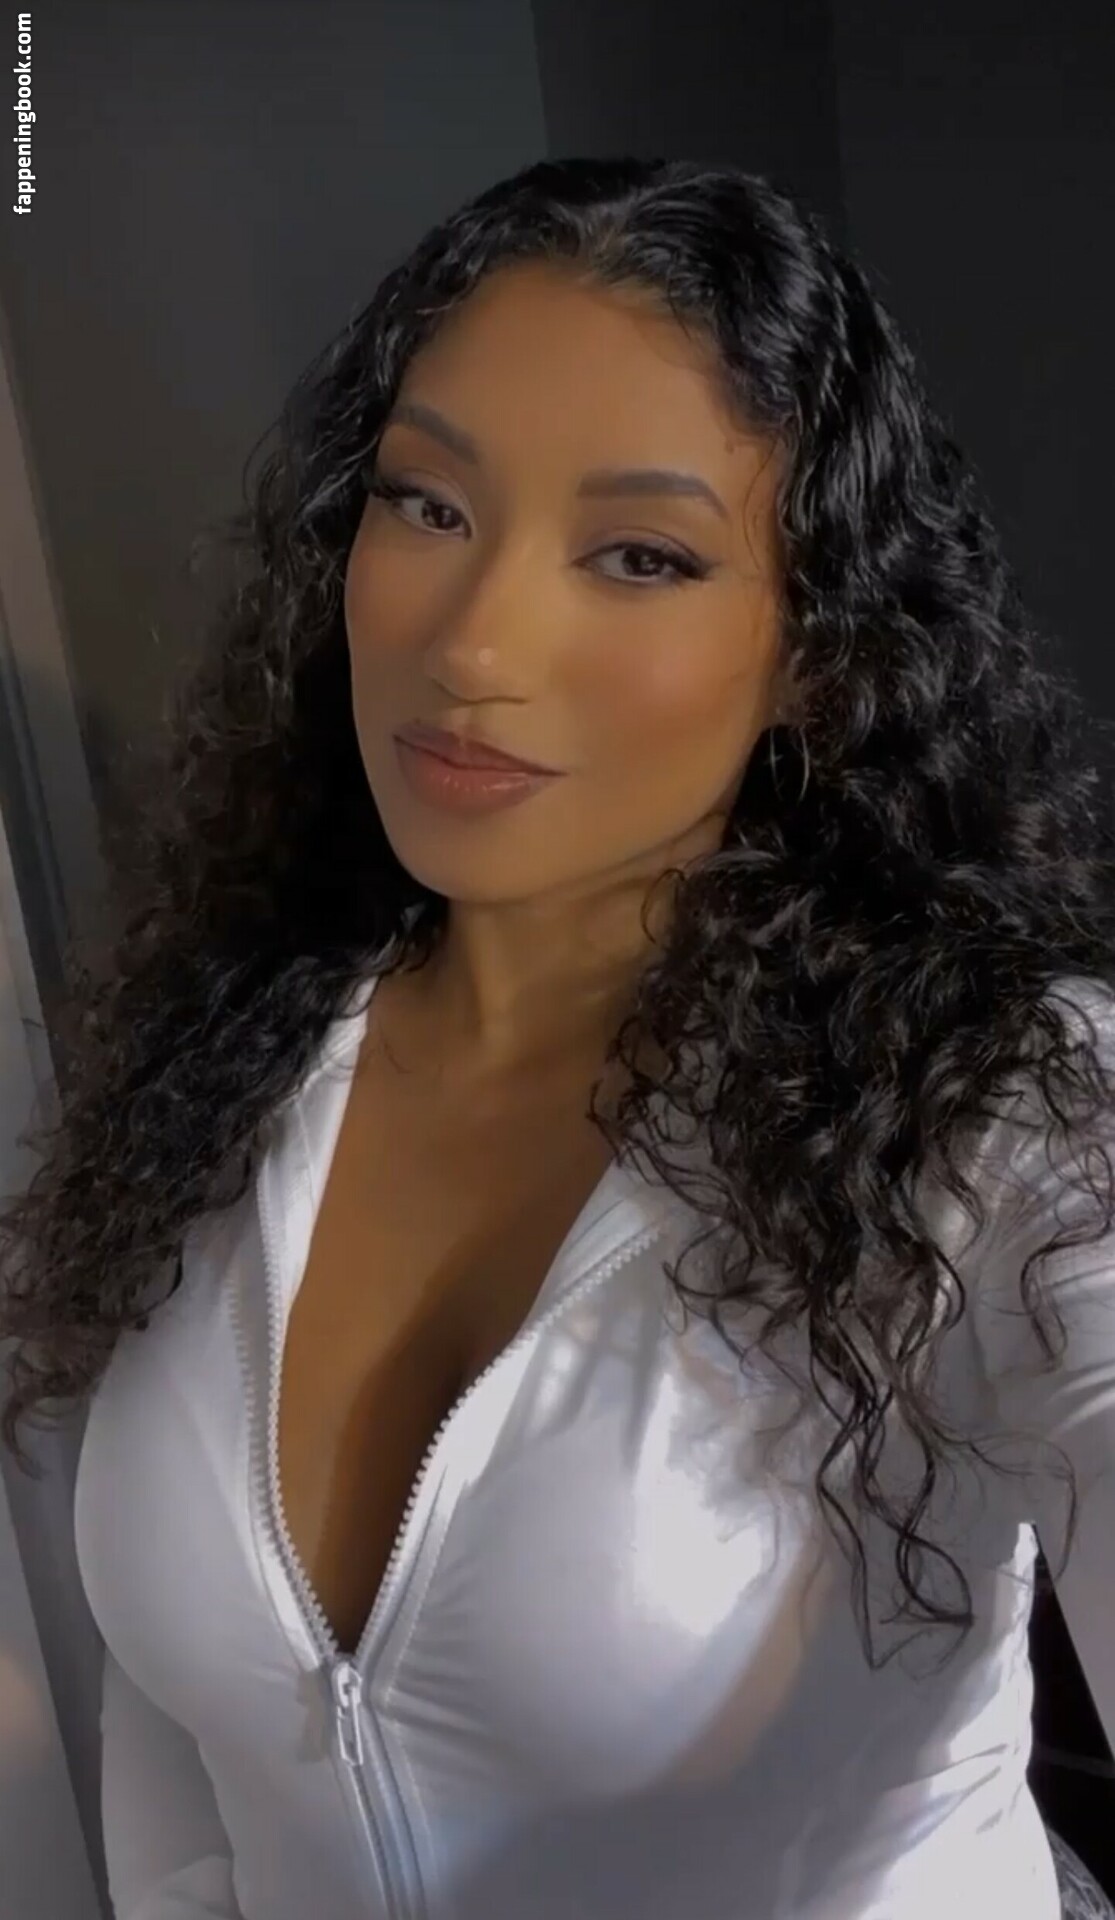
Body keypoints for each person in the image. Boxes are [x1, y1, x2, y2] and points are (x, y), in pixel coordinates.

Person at [1, 155, 1113, 1920]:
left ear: (819, 653)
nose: (474, 641)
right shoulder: (215, 1065)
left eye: (641, 554)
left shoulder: (1004, 1112)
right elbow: (187, 1767)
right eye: (427, 505)